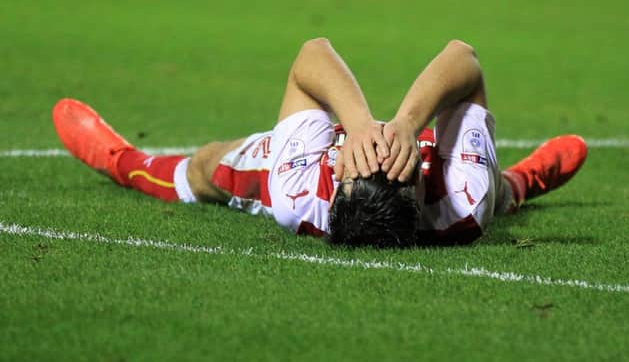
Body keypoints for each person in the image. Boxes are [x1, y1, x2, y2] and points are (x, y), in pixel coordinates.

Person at [52, 38, 587, 247]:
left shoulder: (298, 186)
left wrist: (354, 128)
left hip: (303, 174)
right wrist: (404, 124)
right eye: (395, 159)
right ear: (419, 184)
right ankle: (521, 181)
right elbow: (464, 58)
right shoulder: (456, 199)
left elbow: (311, 57)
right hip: (449, 186)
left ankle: (126, 164)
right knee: (489, 192)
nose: (380, 150)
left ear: (339, 177)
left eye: (369, 157)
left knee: (211, 169)